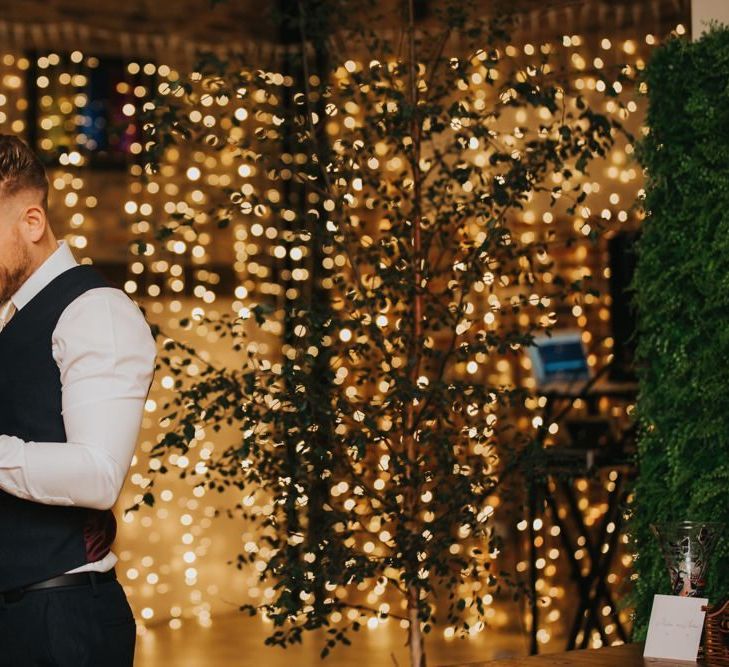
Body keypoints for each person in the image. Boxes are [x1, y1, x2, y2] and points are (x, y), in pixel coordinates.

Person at [0, 134, 157, 665]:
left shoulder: (96, 311)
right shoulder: (9, 316)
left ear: (32, 222)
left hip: (58, 624)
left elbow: (98, 473)